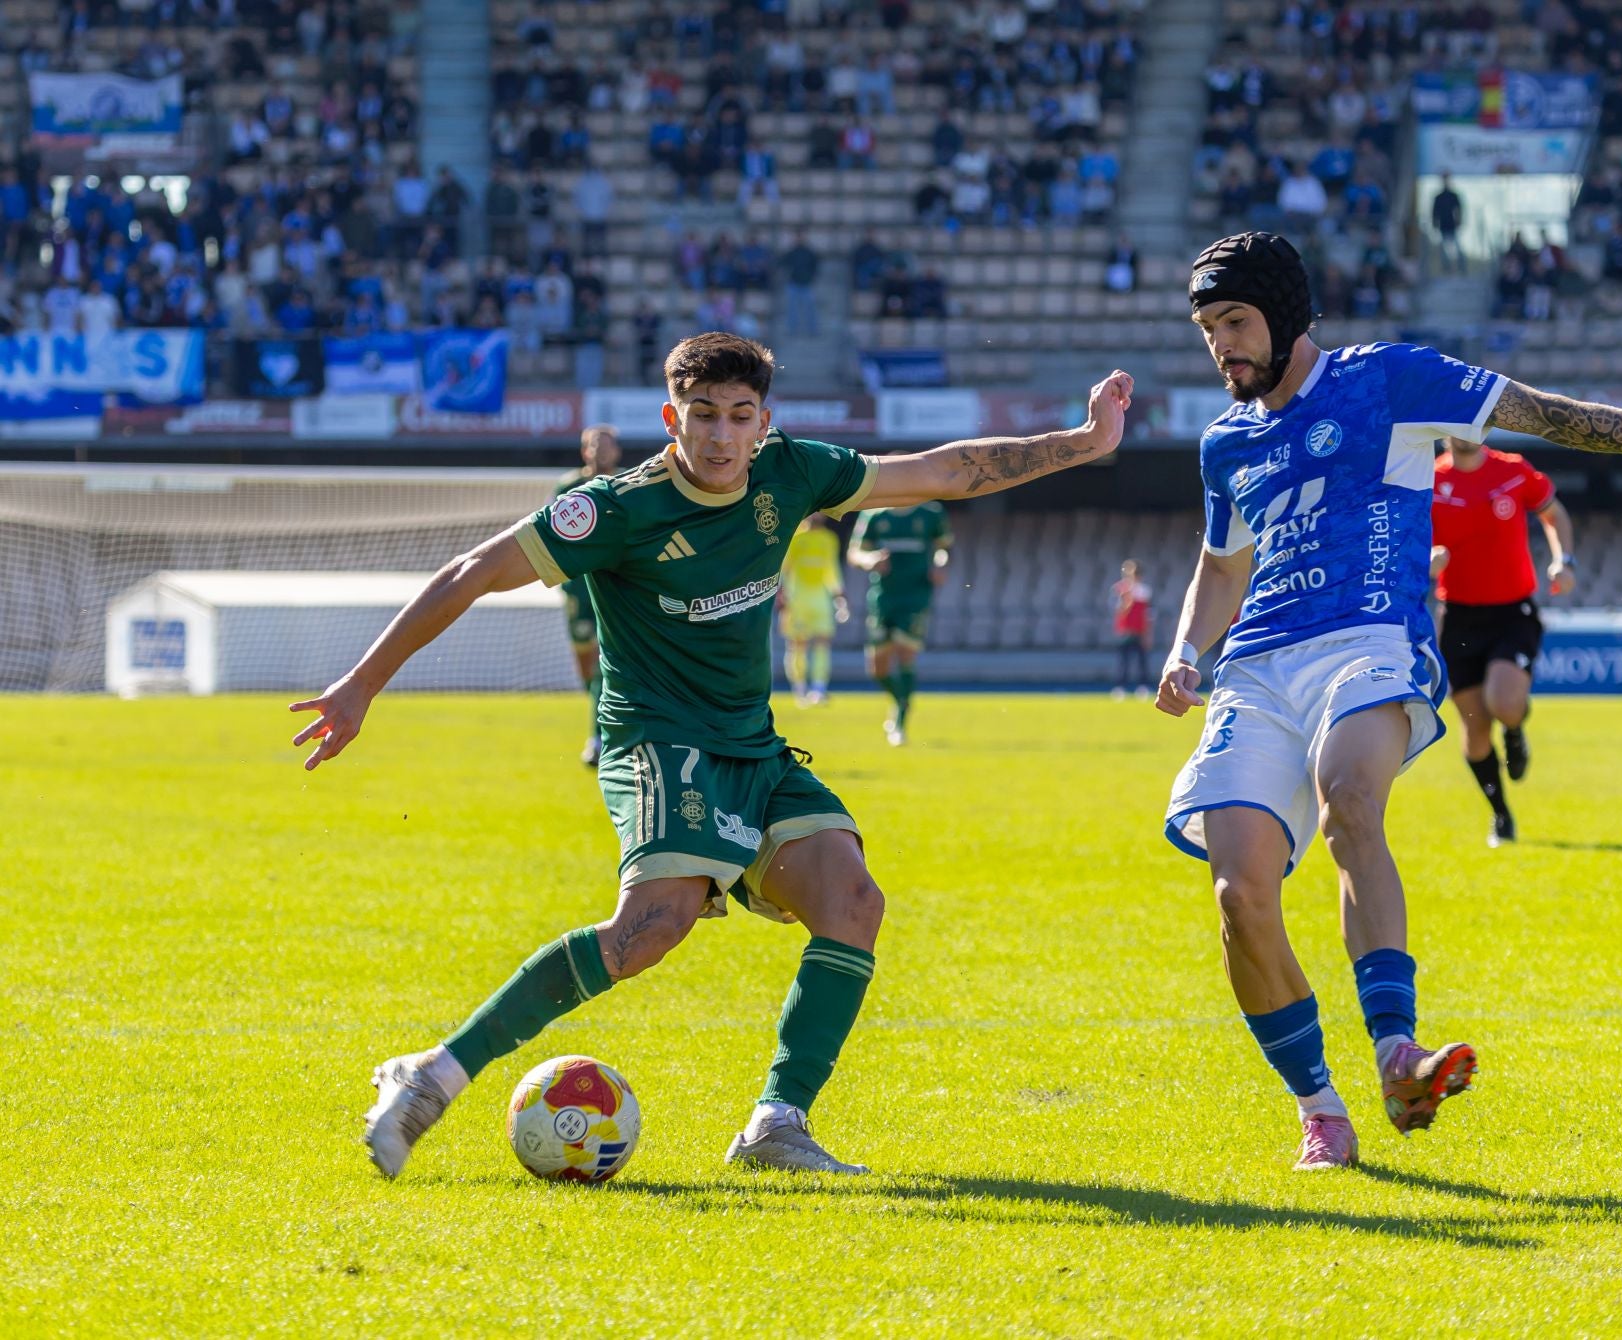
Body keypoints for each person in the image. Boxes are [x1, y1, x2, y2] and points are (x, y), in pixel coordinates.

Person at [293, 333, 1133, 1180]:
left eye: (739, 417)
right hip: (657, 743)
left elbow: (946, 470)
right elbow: (474, 570)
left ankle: (778, 1122)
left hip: (752, 746)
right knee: (652, 929)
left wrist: (1084, 444)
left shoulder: (793, 472)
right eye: (703, 416)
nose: (721, 436)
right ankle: (433, 1074)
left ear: (763, 424)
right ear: (672, 418)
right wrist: (361, 686)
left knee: (852, 900)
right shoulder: (616, 509)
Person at [1158, 231, 1622, 1173]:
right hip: (1257, 667)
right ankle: (1321, 1110)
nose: (1223, 345)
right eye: (1209, 328)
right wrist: (1183, 651)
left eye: (1237, 321)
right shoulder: (1224, 444)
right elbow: (1221, 566)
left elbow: (1551, 413)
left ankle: (1395, 1051)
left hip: (1369, 641)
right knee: (1239, 896)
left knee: (1349, 800)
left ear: (1287, 316)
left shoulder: (1391, 380)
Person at [1430, 435, 1575, 847]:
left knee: (1505, 703)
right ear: (1445, 429)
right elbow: (1408, 539)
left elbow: (1554, 515)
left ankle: (1515, 730)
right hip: (1458, 617)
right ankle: (1500, 815)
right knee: (1474, 732)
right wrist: (1426, 559)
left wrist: (1564, 560)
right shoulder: (1429, 479)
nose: (1467, 430)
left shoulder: (1512, 469)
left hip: (1513, 612)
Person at [849, 498, 952, 746]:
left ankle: (900, 723)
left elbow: (944, 547)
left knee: (906, 653)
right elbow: (854, 553)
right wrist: (870, 560)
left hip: (916, 596)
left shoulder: (930, 513)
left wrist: (940, 564)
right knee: (877, 667)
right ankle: (901, 700)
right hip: (883, 597)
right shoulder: (874, 515)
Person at [554, 423, 623, 765]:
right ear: (585, 451)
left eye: (607, 444)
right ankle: (599, 718)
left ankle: (598, 739)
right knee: (587, 669)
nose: (601, 450)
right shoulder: (569, 487)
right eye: (595, 444)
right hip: (579, 590)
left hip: (615, 589)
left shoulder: (627, 484)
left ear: (617, 451)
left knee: (602, 665)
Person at [780, 512, 849, 705]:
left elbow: (831, 568)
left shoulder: (829, 539)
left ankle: (818, 689)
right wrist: (781, 594)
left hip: (821, 599)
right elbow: (784, 568)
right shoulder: (795, 537)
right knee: (798, 645)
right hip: (797, 599)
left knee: (822, 643)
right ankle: (799, 689)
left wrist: (839, 593)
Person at [1111, 559, 1153, 698]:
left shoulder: (1144, 591)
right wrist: (1126, 600)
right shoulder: (1119, 589)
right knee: (1124, 660)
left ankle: (1143, 686)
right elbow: (1118, 610)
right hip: (1125, 630)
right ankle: (1121, 687)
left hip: (1140, 630)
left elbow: (1148, 614)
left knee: (1142, 660)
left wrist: (1148, 634)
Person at [1430, 173, 1464, 274]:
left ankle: (1461, 268)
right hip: (1443, 225)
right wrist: (1434, 223)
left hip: (1452, 224)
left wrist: (1459, 221)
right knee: (1443, 249)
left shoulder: (1453, 195)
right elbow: (1434, 212)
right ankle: (1446, 268)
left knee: (1457, 247)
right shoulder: (1438, 197)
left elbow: (1459, 210)